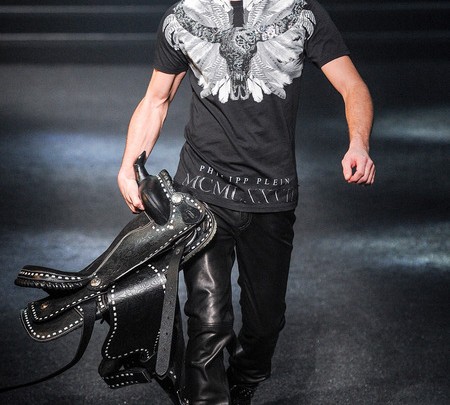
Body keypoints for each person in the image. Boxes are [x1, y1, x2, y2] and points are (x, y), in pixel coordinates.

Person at [117, 0, 375, 403]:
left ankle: (243, 379)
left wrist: (358, 143)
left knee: (265, 324)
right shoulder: (185, 15)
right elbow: (156, 99)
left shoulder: (301, 11)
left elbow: (353, 86)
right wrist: (128, 166)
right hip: (203, 192)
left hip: (272, 195)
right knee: (208, 323)